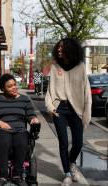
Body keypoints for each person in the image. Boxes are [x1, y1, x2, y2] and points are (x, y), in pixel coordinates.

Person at [45, 38, 92, 186]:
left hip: (76, 108)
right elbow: (49, 94)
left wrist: (86, 114)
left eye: (62, 47)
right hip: (59, 107)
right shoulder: (55, 68)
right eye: (58, 47)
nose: (58, 50)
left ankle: (71, 162)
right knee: (63, 143)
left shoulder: (80, 67)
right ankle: (67, 174)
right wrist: (51, 108)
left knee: (78, 143)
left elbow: (87, 93)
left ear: (70, 49)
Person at [0, 74, 40, 186]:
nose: (14, 87)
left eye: (14, 85)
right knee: (4, 142)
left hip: (20, 130)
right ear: (3, 89)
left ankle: (17, 175)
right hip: (0, 130)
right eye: (10, 86)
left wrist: (33, 118)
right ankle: (2, 176)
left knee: (21, 142)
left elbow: (30, 114)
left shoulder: (25, 100)